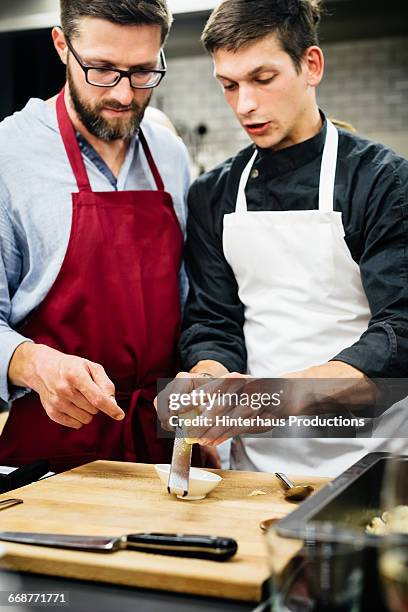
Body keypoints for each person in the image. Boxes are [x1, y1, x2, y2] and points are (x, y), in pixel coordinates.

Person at [157, 0, 408, 477]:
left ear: (310, 65)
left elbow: (400, 332)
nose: (244, 105)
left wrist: (269, 396)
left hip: (372, 461)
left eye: (262, 79)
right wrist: (207, 386)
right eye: (229, 85)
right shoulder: (215, 194)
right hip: (256, 466)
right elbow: (214, 321)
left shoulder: (382, 182)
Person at [0, 0, 191, 472]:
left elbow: (192, 305)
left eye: (143, 71)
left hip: (161, 449)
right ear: (62, 45)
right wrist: (34, 364)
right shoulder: (9, 153)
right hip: (50, 452)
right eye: (102, 70)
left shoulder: (170, 155)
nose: (125, 95)